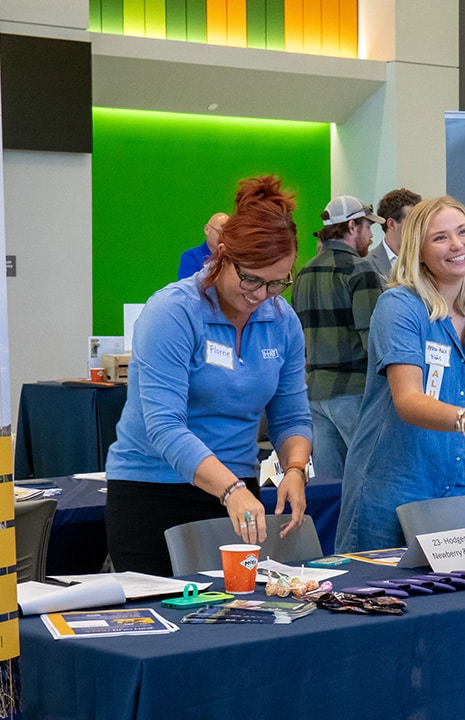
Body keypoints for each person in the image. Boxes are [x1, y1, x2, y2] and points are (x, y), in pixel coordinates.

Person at [105, 175, 312, 577]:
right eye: (250, 278)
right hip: (153, 491)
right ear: (222, 255)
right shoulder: (173, 312)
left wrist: (295, 469)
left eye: (276, 283)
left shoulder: (282, 321)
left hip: (238, 493)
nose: (259, 295)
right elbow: (164, 426)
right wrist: (230, 487)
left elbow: (291, 416)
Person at [334, 195, 465, 553]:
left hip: (453, 485)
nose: (457, 245)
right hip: (391, 490)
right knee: (378, 599)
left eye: (463, 232)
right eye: (440, 238)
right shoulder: (399, 306)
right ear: (418, 251)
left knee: (451, 598)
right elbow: (408, 400)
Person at [290, 196, 386, 481]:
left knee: (330, 488)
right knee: (369, 480)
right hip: (354, 394)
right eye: (368, 227)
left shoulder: (303, 273)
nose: (371, 236)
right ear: (353, 225)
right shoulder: (361, 269)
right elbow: (374, 340)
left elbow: (297, 340)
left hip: (314, 395)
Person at [368, 188, 422, 279]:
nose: (419, 227)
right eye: (413, 221)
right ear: (391, 224)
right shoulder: (367, 264)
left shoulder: (427, 261)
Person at [177, 211, 229, 279]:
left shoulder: (233, 258)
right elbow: (189, 288)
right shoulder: (191, 257)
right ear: (207, 229)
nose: (224, 237)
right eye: (220, 232)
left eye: (228, 234)